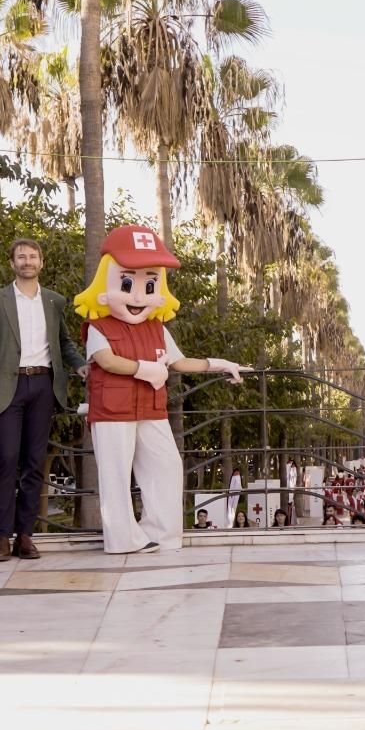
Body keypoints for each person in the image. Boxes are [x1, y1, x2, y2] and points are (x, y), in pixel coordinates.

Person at [76, 225, 245, 554]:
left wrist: (221, 363)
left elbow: (181, 362)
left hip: (151, 409)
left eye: (149, 284)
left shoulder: (157, 328)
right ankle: (123, 540)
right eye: (127, 283)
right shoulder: (99, 326)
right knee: (115, 477)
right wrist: (146, 370)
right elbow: (106, 361)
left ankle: (162, 534)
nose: (138, 296)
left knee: (166, 466)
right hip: (112, 412)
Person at [0, 238, 89, 562]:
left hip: (43, 386)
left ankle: (25, 535)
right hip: (8, 388)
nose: (27, 261)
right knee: (7, 460)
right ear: (12, 263)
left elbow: (63, 342)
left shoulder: (54, 301)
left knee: (35, 464)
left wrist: (79, 364)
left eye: (32, 256)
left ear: (41, 262)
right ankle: (0, 537)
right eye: (21, 256)